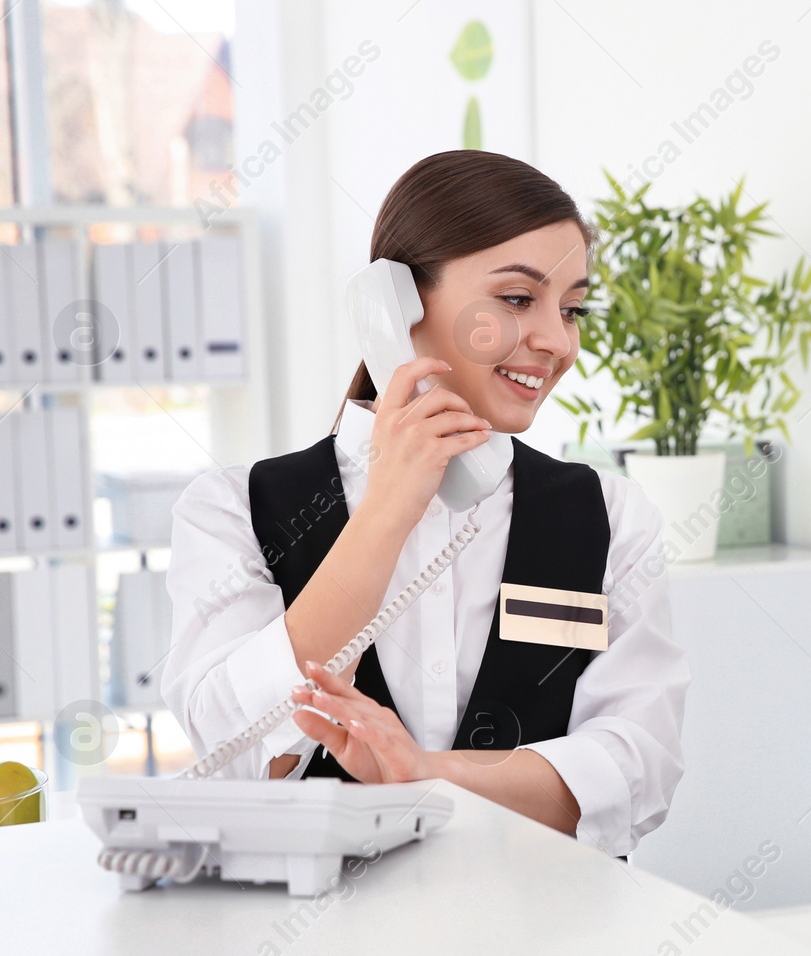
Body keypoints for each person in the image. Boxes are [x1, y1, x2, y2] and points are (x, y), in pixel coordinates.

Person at [163, 151, 689, 857]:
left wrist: (428, 776)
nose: (557, 341)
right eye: (516, 298)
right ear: (396, 304)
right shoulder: (234, 510)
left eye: (572, 309)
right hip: (318, 947)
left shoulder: (610, 517)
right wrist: (384, 514)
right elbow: (234, 749)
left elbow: (641, 764)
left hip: (549, 943)